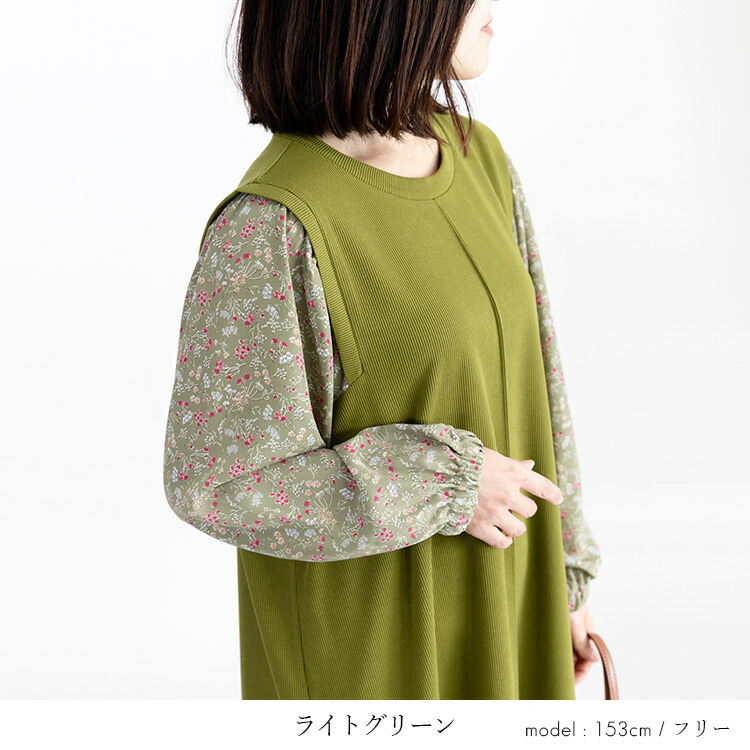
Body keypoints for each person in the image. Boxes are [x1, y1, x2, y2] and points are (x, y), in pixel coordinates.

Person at [162, 0, 602, 699]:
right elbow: (215, 483)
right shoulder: (270, 228)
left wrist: (565, 579)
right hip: (376, 660)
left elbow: (538, 374)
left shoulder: (479, 156)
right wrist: (440, 482)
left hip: (514, 607)